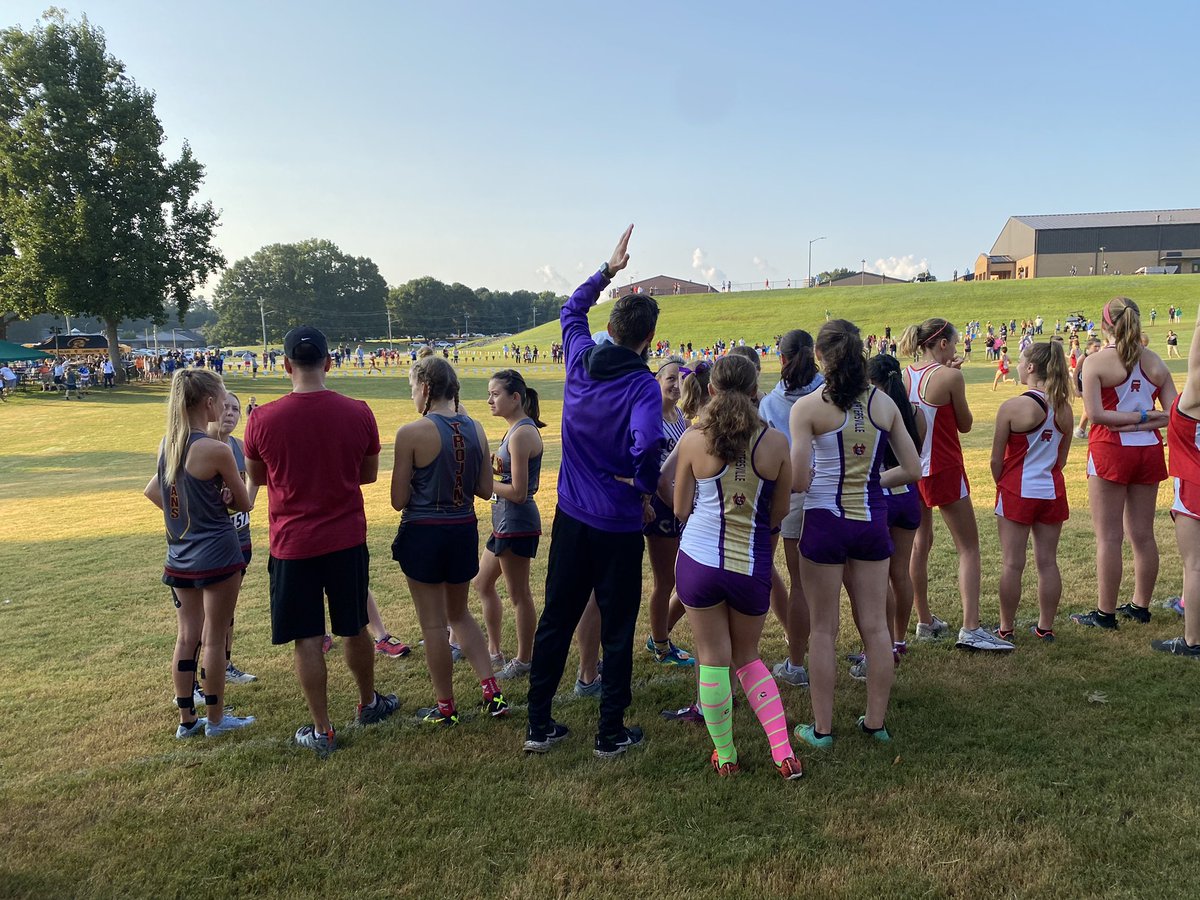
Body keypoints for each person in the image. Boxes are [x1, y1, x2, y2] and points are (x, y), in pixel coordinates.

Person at [525, 225, 660, 758]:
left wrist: (608, 270)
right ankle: (610, 732)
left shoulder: (580, 359)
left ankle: (539, 724)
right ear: (650, 339)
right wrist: (642, 483)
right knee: (618, 628)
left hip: (572, 517)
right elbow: (647, 441)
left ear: (609, 329)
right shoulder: (643, 384)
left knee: (557, 618)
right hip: (619, 524)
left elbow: (570, 310)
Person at [244, 326, 398, 756]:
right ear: (330, 362)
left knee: (307, 637)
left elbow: (257, 478)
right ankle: (368, 703)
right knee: (355, 626)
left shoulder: (262, 419)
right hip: (345, 537)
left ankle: (322, 729)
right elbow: (367, 474)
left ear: (285, 365)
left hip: (292, 544)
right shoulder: (358, 411)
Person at [671, 355, 804, 779]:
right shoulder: (775, 441)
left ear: (711, 390)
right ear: (754, 390)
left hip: (699, 561)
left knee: (713, 658)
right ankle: (783, 752)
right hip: (750, 563)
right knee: (747, 657)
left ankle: (726, 755)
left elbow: (680, 508)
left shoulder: (695, 438)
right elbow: (779, 512)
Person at [790, 320, 921, 748]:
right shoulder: (883, 403)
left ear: (819, 357)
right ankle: (875, 723)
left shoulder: (807, 408)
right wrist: (872, 483)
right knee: (876, 627)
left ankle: (822, 729)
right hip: (870, 520)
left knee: (823, 629)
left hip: (824, 521)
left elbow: (798, 480)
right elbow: (913, 469)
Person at [392, 353, 506, 724]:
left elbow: (398, 499)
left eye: (413, 388)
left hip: (424, 532)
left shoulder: (411, 433)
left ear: (425, 389)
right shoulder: (476, 428)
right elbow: (485, 490)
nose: (412, 396)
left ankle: (446, 707)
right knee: (460, 613)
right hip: (462, 529)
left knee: (433, 625)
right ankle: (491, 690)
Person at [143, 370, 254, 739]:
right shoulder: (216, 449)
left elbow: (154, 492)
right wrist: (220, 502)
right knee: (214, 637)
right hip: (218, 554)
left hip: (179, 555)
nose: (225, 406)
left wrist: (191, 511)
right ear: (208, 403)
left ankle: (187, 721)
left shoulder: (168, 444)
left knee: (186, 636)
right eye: (222, 400)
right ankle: (217, 719)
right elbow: (243, 503)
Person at [900, 318, 1013, 651]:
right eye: (955, 341)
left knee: (920, 545)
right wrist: (953, 375)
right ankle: (971, 627)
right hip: (944, 467)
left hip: (912, 469)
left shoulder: (905, 375)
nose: (958, 346)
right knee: (969, 547)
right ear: (943, 344)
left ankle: (924, 620)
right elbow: (965, 424)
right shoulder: (950, 376)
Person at [1073, 297, 1175, 630]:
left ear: (1105, 324)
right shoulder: (1155, 361)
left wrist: (1131, 421)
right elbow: (1173, 414)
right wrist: (1145, 418)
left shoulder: (1096, 362)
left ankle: (1105, 614)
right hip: (1147, 451)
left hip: (1111, 450)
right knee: (1143, 535)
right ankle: (1140, 606)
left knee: (1109, 537)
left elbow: (1096, 415)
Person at [991, 342, 1073, 641]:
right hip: (1051, 490)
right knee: (1048, 562)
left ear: (1030, 367)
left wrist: (1002, 483)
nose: (1016, 365)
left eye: (1020, 360)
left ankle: (1005, 628)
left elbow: (995, 460)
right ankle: (1045, 627)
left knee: (1012, 563)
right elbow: (1061, 460)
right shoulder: (1064, 408)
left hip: (1018, 490)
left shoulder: (1013, 406)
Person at [758, 330, 823, 687]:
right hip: (832, 493)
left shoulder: (770, 403)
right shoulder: (830, 392)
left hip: (794, 498)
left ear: (780, 358)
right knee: (851, 581)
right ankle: (872, 653)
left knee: (800, 585)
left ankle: (797, 665)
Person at [471, 369, 545, 680]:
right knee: (482, 583)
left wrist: (482, 482)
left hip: (517, 523)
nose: (489, 400)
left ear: (515, 398)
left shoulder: (522, 434)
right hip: (503, 522)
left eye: (495, 394)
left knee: (519, 595)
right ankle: (494, 651)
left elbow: (518, 492)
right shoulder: (514, 430)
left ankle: (524, 660)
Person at [866, 353, 924, 671]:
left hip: (880, 495)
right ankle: (899, 640)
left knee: (877, 579)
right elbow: (915, 456)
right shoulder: (915, 412)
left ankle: (883, 644)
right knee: (900, 573)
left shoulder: (873, 411)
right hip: (909, 496)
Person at [205, 391, 259, 686]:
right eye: (225, 406)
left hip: (240, 539)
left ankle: (224, 665)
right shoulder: (198, 447)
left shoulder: (238, 447)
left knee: (228, 608)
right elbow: (158, 491)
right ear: (210, 407)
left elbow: (254, 482)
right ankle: (198, 677)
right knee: (206, 615)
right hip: (211, 544)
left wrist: (244, 502)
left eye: (236, 409)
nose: (230, 413)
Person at [643, 356, 694, 666]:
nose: (676, 384)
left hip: (679, 505)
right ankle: (660, 645)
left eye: (680, 378)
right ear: (657, 382)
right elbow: (656, 476)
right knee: (665, 581)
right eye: (670, 378)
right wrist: (678, 508)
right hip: (662, 508)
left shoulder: (679, 416)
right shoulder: (651, 418)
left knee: (678, 578)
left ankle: (660, 638)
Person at [1156, 300, 1200, 658]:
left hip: (1193, 485)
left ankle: (1192, 641)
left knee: (1194, 566)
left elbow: (1195, 363)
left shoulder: (1194, 397)